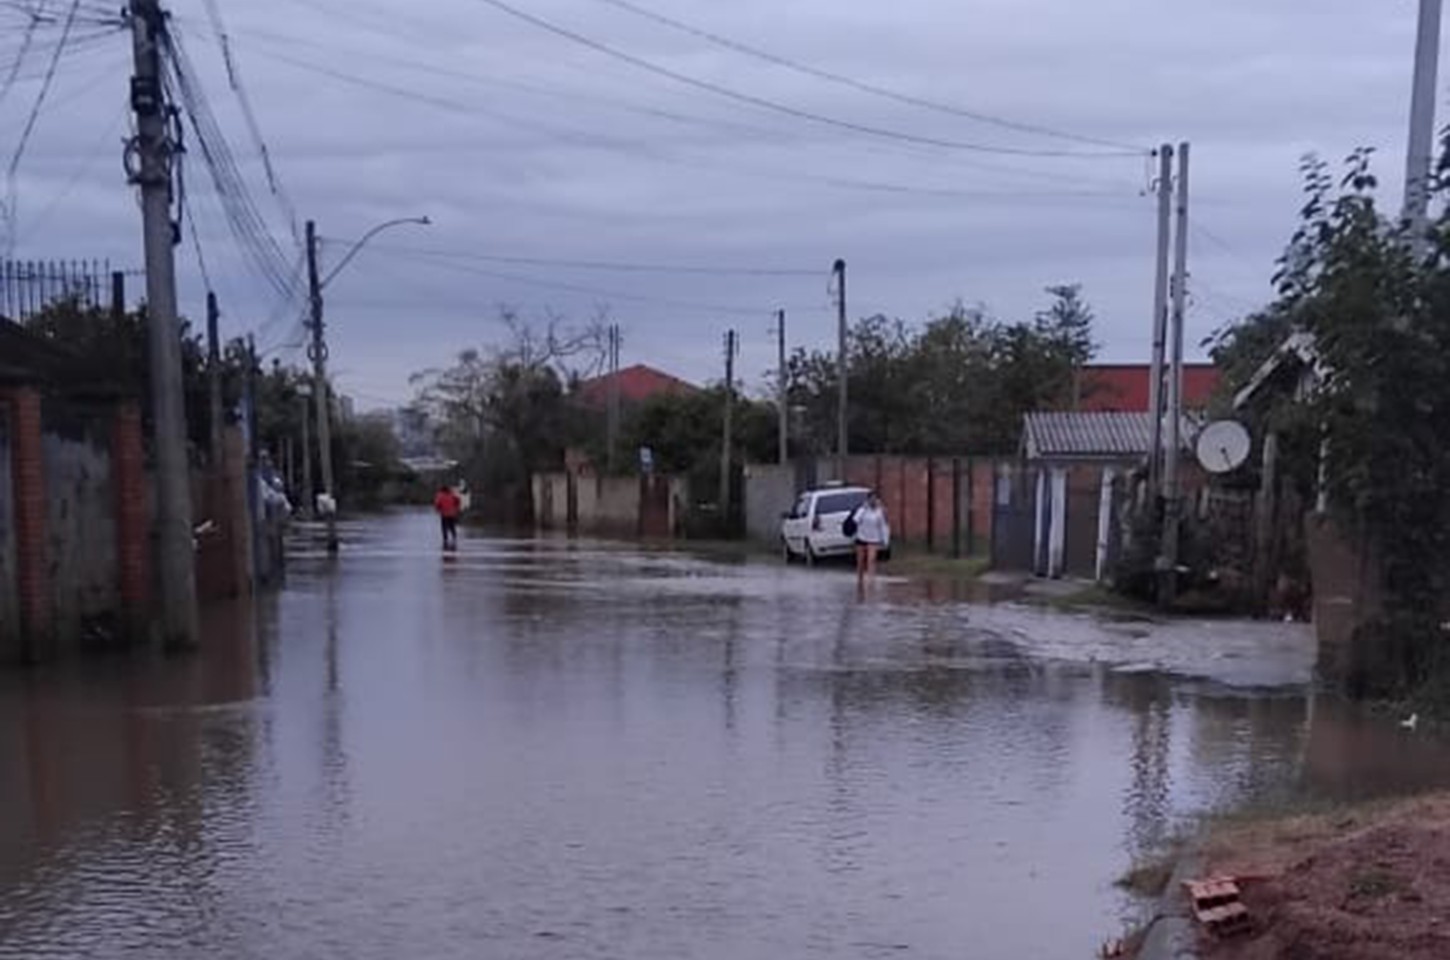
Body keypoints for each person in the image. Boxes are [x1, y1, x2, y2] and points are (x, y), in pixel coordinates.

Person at [853, 492, 889, 588]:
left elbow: (883, 526)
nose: (873, 501)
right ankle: (860, 580)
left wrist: (885, 540)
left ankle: (871, 580)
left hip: (874, 539)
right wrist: (863, 509)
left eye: (875, 499)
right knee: (860, 561)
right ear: (868, 500)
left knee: (871, 560)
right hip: (861, 538)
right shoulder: (863, 510)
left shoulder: (880, 511)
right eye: (871, 499)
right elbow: (855, 520)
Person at [434, 483, 462, 549]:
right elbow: (458, 501)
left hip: (444, 514)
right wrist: (457, 508)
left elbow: (437, 504)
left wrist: (438, 510)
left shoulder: (440, 495)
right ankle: (454, 537)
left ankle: (445, 539)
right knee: (452, 526)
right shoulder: (453, 495)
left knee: (444, 527)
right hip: (452, 513)